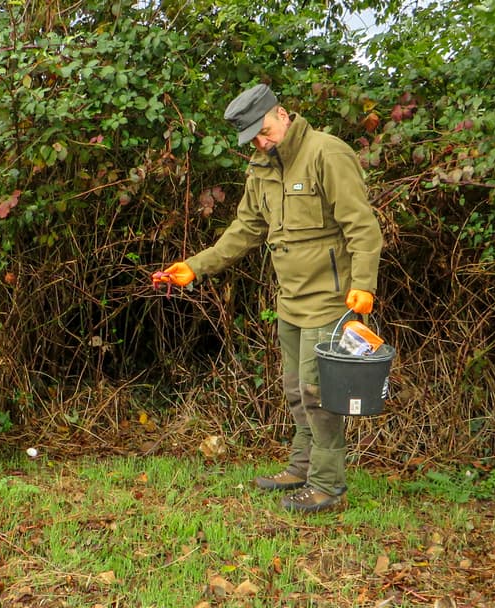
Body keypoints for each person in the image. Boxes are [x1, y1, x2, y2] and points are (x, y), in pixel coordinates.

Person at [153, 84, 383, 513]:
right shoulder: (262, 166)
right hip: (291, 299)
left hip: (331, 299)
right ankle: (301, 466)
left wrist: (364, 285)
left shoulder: (325, 154)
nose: (261, 142)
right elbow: (246, 229)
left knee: (319, 393)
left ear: (281, 113)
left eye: (264, 132)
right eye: (253, 139)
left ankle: (328, 486)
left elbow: (362, 226)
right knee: (295, 389)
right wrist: (197, 266)